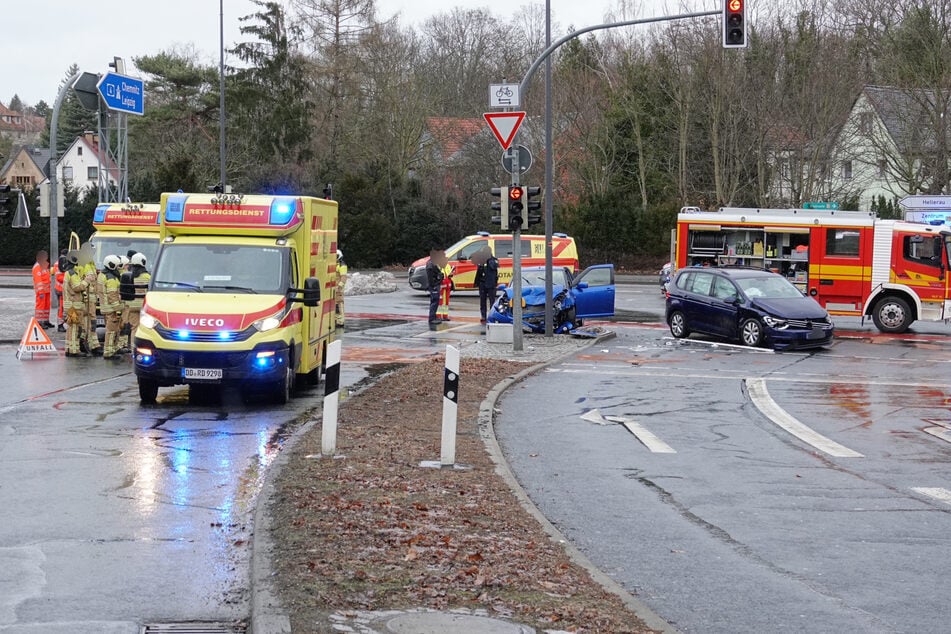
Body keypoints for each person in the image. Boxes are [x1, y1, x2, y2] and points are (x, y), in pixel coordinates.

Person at [63, 251, 97, 357]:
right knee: (74, 328)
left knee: (71, 328)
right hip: (74, 305)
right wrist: (86, 281)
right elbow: (77, 287)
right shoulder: (72, 273)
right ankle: (74, 351)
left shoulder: (68, 272)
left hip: (71, 305)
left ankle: (69, 349)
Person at [99, 255, 124, 359]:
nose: (119, 268)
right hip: (112, 309)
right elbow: (112, 295)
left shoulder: (102, 274)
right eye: (117, 266)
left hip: (105, 307)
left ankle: (112, 349)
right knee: (112, 331)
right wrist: (118, 309)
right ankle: (109, 352)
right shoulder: (111, 278)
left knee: (111, 330)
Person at [125, 252, 151, 346]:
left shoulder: (128, 276)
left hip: (132, 306)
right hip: (144, 307)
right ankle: (142, 348)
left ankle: (133, 349)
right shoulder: (148, 277)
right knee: (144, 328)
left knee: (134, 328)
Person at [474, 248, 500, 324]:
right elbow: (478, 272)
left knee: (492, 301)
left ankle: (492, 315)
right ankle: (483, 316)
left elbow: (494, 266)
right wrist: (476, 282)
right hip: (482, 283)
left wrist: (488, 260)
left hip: (491, 284)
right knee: (482, 301)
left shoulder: (493, 260)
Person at [32, 250, 53, 329]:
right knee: (40, 306)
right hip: (41, 291)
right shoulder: (37, 266)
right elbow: (38, 280)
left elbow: (46, 277)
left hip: (46, 290)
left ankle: (45, 321)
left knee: (46, 306)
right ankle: (39, 322)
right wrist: (40, 291)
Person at [425, 254, 444, 329]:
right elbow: (431, 278)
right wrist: (434, 285)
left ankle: (434, 316)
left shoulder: (432, 264)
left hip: (435, 285)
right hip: (434, 286)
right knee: (434, 301)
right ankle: (432, 318)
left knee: (435, 302)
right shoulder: (431, 265)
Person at [51, 249, 68, 331]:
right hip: (61, 289)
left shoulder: (59, 263)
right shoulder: (60, 264)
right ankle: (60, 325)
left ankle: (61, 323)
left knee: (62, 307)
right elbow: (60, 277)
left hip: (60, 289)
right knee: (61, 308)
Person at [335, 249, 347, 327]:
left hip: (338, 288)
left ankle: (340, 321)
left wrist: (339, 286)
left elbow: (344, 278)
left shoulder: (342, 265)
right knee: (335, 304)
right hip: (335, 287)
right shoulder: (336, 264)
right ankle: (336, 319)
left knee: (339, 304)